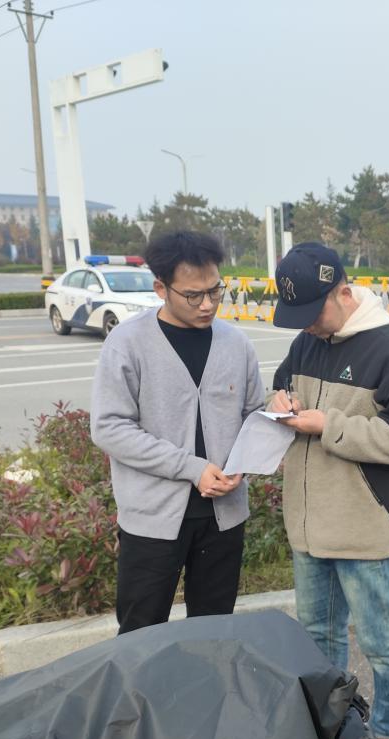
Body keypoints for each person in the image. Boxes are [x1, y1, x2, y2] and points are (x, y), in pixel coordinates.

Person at [267, 242, 389, 739]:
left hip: (363, 526)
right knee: (317, 638)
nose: (306, 326)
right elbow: (284, 386)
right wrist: (279, 400)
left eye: (313, 313)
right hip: (309, 523)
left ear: (343, 291)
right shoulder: (307, 340)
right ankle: (330, 733)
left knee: (383, 643)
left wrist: (328, 425)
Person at [91, 230, 264, 634]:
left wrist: (244, 464)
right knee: (141, 634)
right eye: (192, 295)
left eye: (215, 290)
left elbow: (253, 415)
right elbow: (109, 427)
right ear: (160, 289)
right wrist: (191, 468)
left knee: (213, 631)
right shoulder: (127, 343)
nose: (207, 304)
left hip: (223, 518)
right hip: (152, 520)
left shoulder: (236, 344)